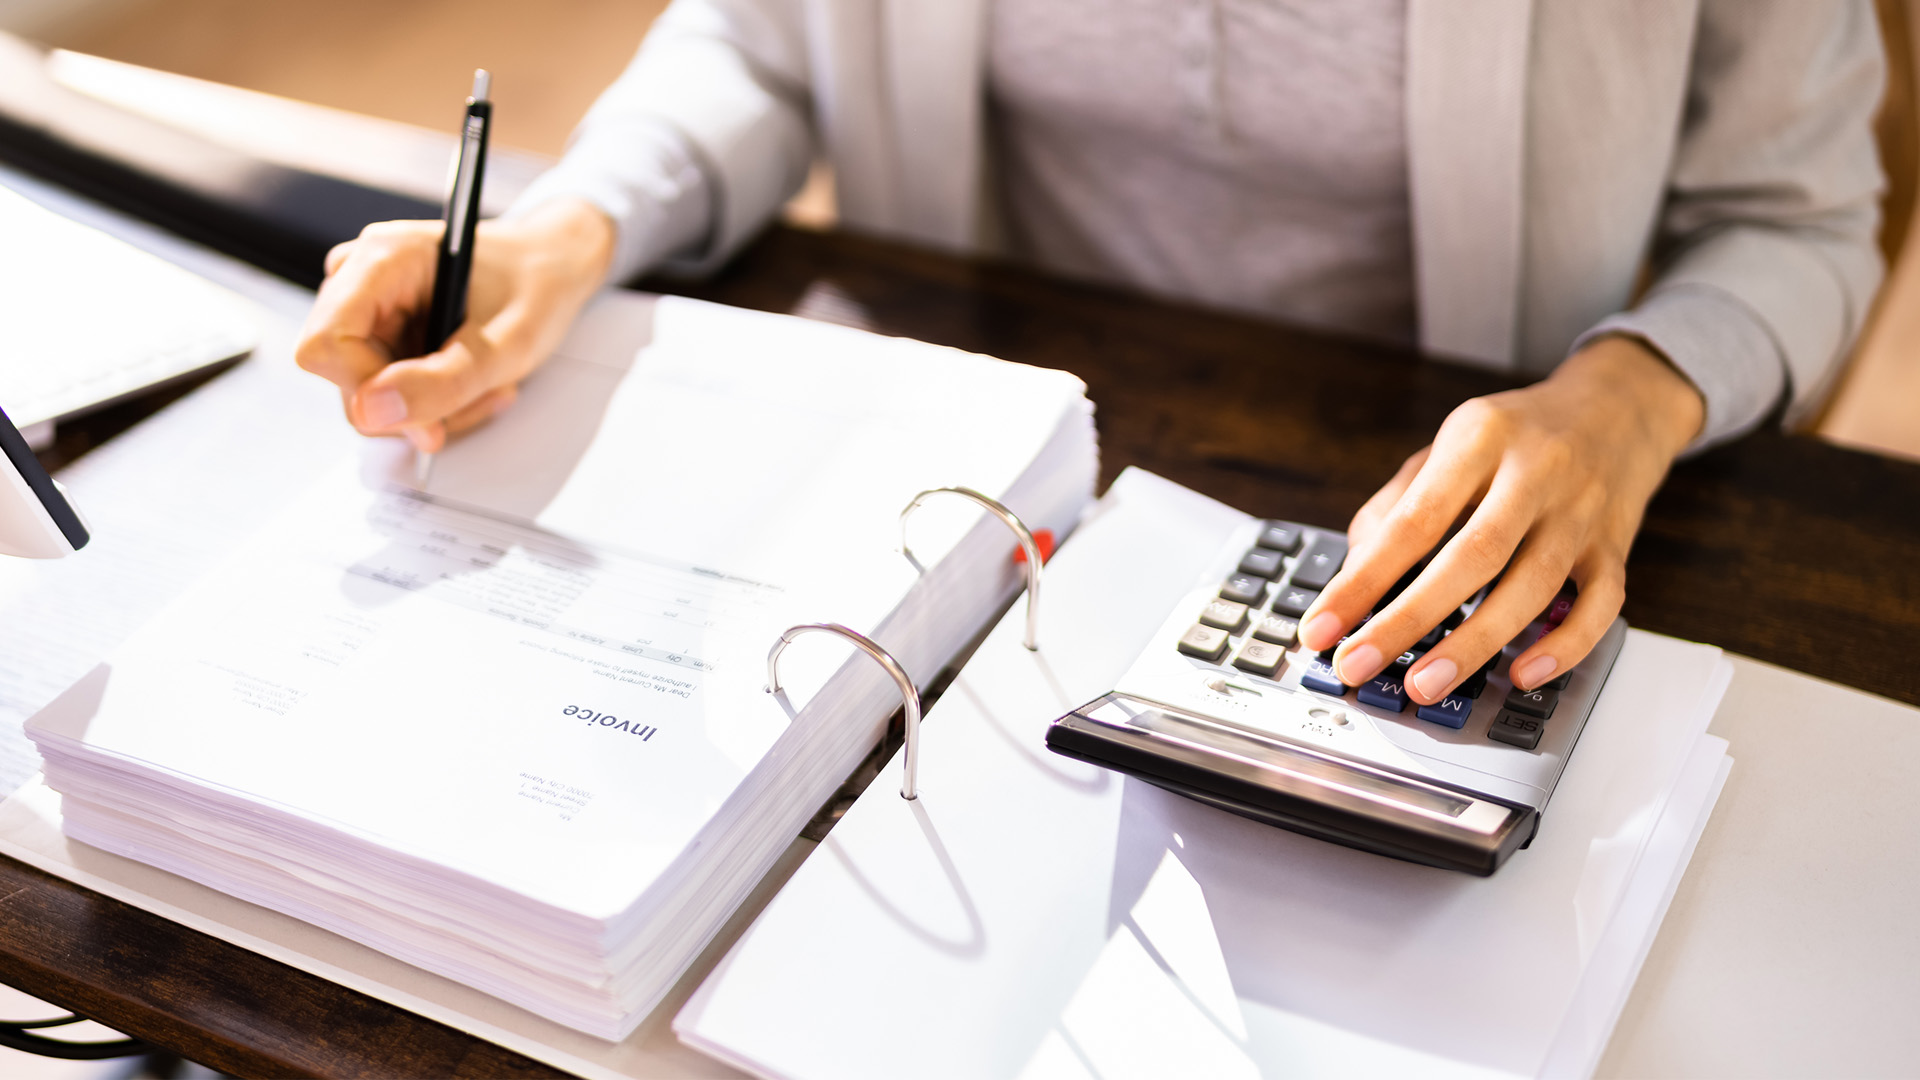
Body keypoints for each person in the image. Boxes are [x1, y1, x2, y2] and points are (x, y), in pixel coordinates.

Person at [296, 0, 1885, 707]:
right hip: (983, 474)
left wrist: (1629, 394)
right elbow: (761, 41)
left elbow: (1800, 223)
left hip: (1411, 508)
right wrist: (573, 229)